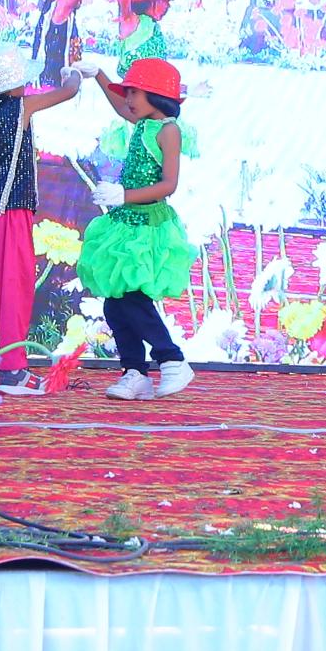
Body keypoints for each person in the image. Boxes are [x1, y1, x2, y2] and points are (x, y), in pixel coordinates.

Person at [0, 44, 84, 395]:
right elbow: (67, 92)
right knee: (15, 286)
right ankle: (13, 369)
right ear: (12, 85)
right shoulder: (20, 108)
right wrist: (73, 75)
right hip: (10, 212)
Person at [78, 57, 197, 400]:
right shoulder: (142, 123)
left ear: (156, 95)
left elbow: (169, 184)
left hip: (148, 227)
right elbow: (120, 108)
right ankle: (135, 372)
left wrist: (124, 195)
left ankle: (172, 359)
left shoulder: (168, 130)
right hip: (126, 223)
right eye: (127, 91)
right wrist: (98, 75)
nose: (128, 99)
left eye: (134, 92)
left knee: (131, 298)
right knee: (115, 303)